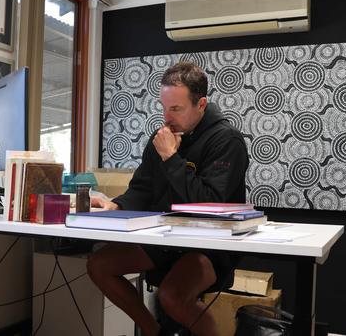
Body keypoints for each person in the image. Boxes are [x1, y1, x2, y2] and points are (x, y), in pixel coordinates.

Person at [87, 61, 249, 336]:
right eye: (163, 107)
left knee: (172, 296)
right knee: (99, 266)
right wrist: (117, 205)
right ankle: (154, 332)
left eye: (176, 109)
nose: (167, 117)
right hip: (164, 238)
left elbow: (208, 203)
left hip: (208, 243)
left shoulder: (227, 141)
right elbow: (142, 188)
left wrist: (171, 158)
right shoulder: (163, 137)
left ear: (200, 104)